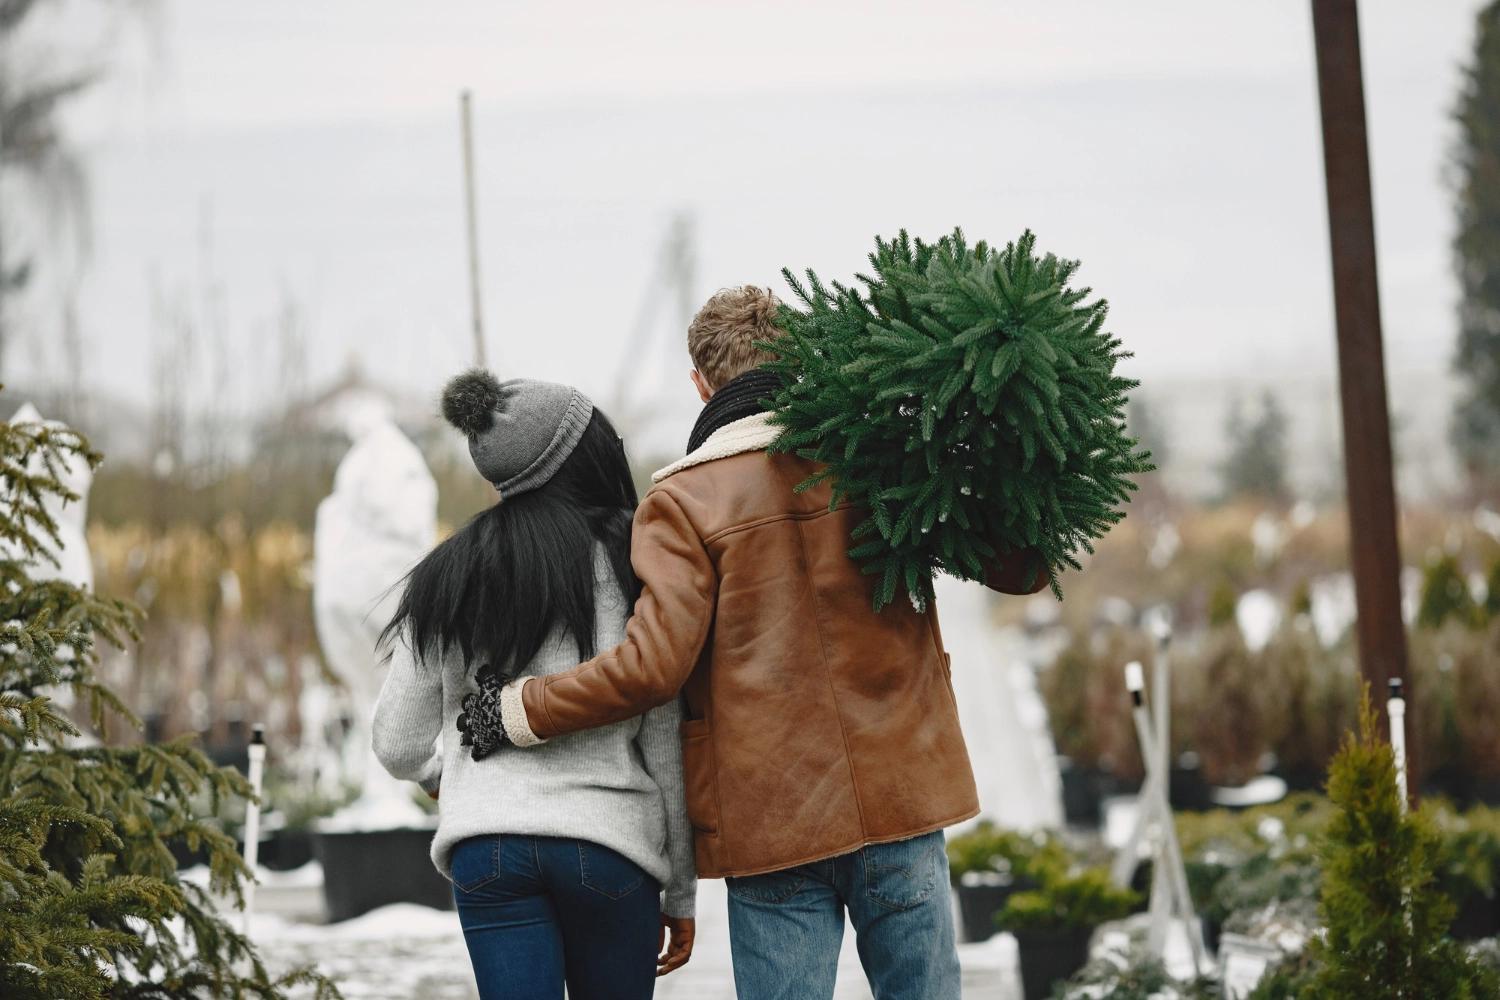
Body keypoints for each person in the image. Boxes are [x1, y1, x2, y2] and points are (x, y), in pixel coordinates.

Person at [471, 286, 1047, 1000]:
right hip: (902, 799)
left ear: (700, 384)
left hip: (773, 824)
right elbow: (1023, 568)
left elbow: (652, 668)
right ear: (800, 360)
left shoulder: (682, 503)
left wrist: (521, 707)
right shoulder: (876, 465)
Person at [371, 373, 696, 1000]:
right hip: (611, 846)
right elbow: (663, 736)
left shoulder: (448, 574)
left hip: (489, 850)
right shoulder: (637, 562)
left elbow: (395, 740)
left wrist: (447, 776)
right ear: (580, 455)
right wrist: (680, 889)